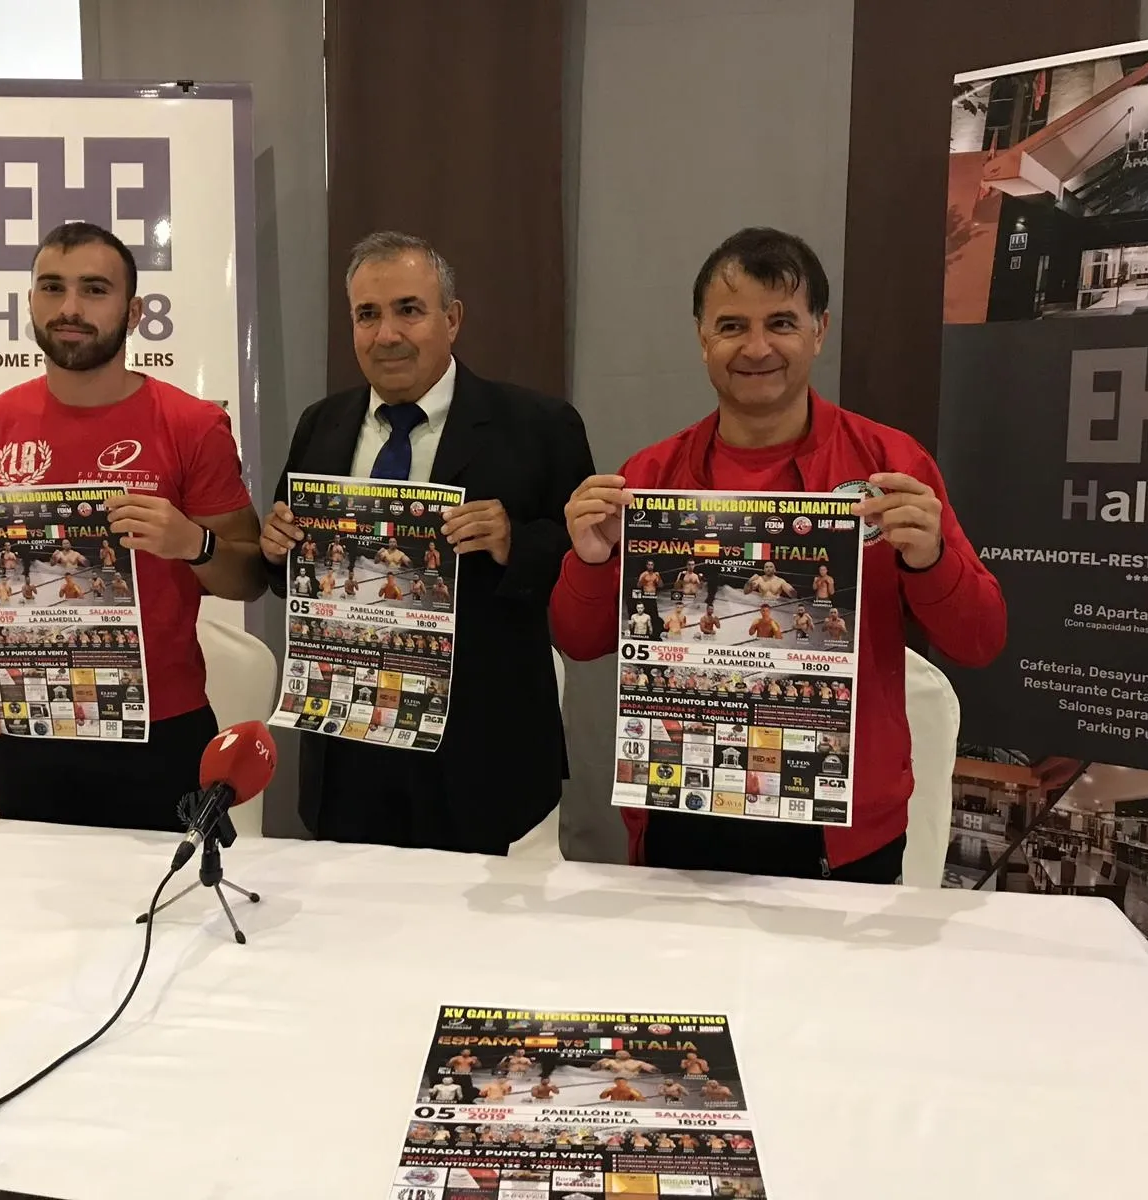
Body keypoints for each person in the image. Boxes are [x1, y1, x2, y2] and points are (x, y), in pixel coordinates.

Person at [552, 227, 1005, 883]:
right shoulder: (650, 476)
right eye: (732, 325)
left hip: (838, 827)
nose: (757, 347)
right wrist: (590, 560)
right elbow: (578, 638)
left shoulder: (891, 467)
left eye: (781, 323)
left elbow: (981, 639)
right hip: (683, 806)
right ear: (703, 338)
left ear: (819, 331)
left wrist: (931, 560)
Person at [259, 231, 595, 854]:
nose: (387, 334)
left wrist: (512, 541)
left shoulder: (539, 425)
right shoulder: (320, 423)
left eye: (409, 310)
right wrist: (277, 547)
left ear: (453, 318)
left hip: (480, 752)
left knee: (470, 949)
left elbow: (587, 565)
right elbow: (287, 571)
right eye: (368, 315)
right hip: (347, 743)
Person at [0, 221, 265, 831]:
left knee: (170, 915)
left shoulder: (192, 425)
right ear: (30, 301)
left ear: (133, 310)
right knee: (31, 906)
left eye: (94, 289)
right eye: (51, 288)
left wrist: (193, 543)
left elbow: (249, 577)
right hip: (29, 725)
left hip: (161, 729)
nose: (70, 308)